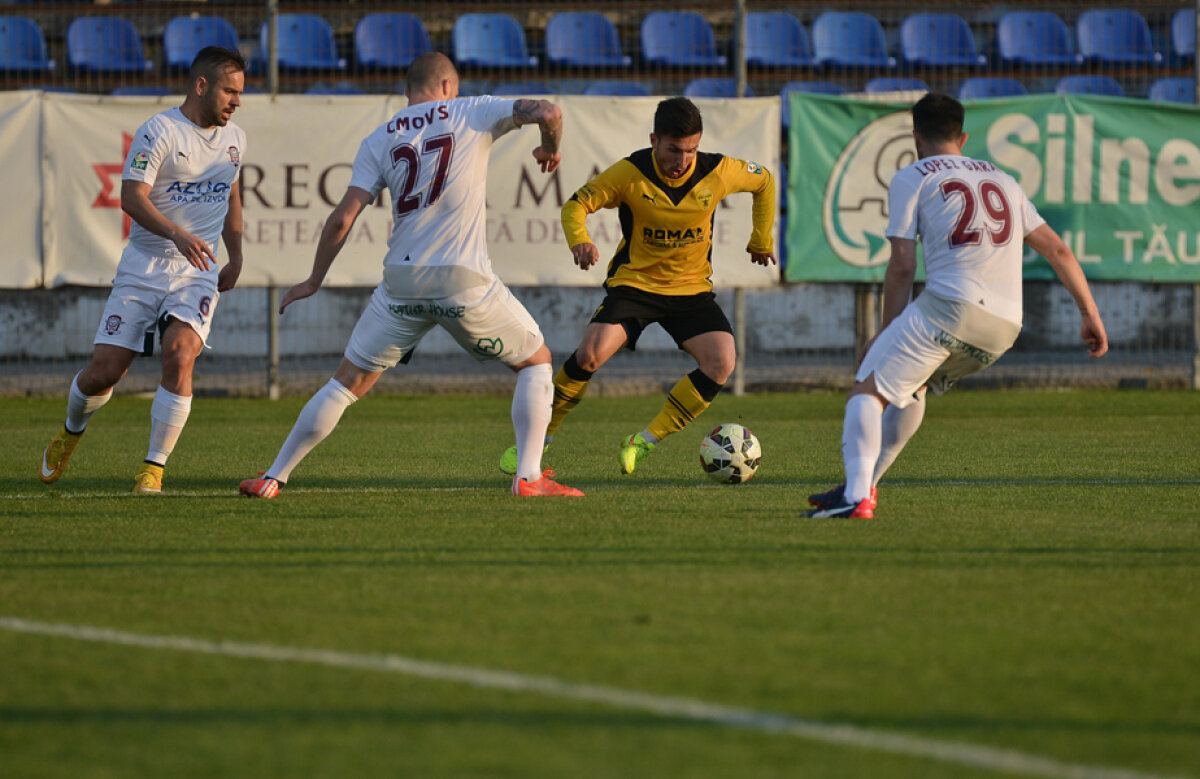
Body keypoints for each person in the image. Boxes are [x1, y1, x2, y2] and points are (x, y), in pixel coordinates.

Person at [239, 52, 581, 499]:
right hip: (462, 281)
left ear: (408, 91)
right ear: (447, 87)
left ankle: (272, 477)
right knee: (535, 362)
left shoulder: (380, 136)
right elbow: (549, 112)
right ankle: (529, 478)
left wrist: (313, 280)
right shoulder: (470, 109)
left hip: (400, 283)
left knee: (344, 385)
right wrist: (551, 148)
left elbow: (342, 218)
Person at [806, 93, 1108, 519]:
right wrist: (1089, 314)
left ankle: (856, 498)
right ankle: (864, 487)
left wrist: (887, 334)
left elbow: (902, 265)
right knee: (913, 390)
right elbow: (1059, 251)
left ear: (915, 137)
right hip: (1004, 327)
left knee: (866, 391)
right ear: (962, 137)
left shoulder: (912, 176)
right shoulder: (1005, 179)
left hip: (953, 306)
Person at [497, 96, 776, 476]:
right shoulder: (630, 173)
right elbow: (575, 205)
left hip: (690, 290)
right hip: (636, 286)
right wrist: (579, 238)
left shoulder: (719, 171)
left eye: (691, 150)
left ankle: (643, 442)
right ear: (654, 140)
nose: (682, 161)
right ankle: (537, 441)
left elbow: (764, 181)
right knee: (590, 355)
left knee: (722, 361)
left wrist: (761, 238)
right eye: (674, 150)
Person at [39, 46, 247, 494]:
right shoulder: (160, 131)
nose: (237, 101)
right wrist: (175, 233)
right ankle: (71, 429)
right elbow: (132, 197)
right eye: (230, 91)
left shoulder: (236, 140)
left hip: (197, 270)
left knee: (180, 353)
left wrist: (238, 255)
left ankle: (152, 469)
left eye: (240, 93)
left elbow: (231, 198)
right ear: (201, 86)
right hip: (145, 264)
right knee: (106, 371)